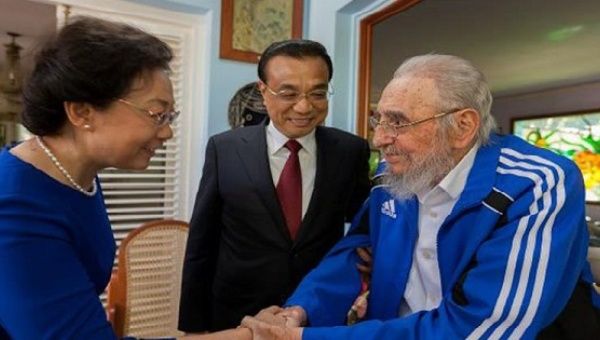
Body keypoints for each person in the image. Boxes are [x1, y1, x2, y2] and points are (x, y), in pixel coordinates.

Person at [238, 54, 600, 339]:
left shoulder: (537, 183)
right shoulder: (393, 175)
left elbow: (483, 328)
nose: (379, 139)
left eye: (397, 122)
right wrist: (301, 310)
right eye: (378, 120)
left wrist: (304, 338)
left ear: (462, 126)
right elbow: (357, 250)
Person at [0, 17, 177, 339]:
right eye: (156, 114)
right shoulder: (15, 208)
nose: (167, 131)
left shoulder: (78, 178)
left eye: (169, 116)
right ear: (82, 113)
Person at [179, 39, 372, 332]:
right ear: (263, 91)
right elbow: (202, 243)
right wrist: (194, 325)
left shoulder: (350, 150)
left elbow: (362, 226)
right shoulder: (226, 149)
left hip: (316, 313)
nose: (304, 106)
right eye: (288, 93)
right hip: (237, 312)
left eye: (318, 93)